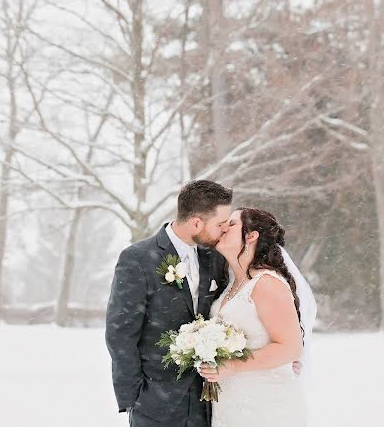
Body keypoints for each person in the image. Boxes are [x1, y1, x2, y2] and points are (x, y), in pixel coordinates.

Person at [105, 179, 233, 427]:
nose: (224, 230)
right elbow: (120, 333)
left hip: (207, 403)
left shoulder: (216, 258)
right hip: (155, 404)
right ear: (196, 222)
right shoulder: (138, 259)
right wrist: (134, 399)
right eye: (220, 224)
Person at [200, 207, 312, 427]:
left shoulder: (267, 283)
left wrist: (231, 366)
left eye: (232, 224)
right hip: (231, 403)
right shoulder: (233, 285)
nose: (224, 228)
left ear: (251, 236)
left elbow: (290, 348)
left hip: (266, 406)